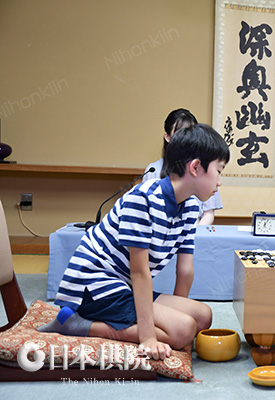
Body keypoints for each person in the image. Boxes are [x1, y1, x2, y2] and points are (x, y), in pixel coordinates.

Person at [39, 124, 230, 360]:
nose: (220, 181)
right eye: (219, 171)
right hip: (93, 287)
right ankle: (77, 324)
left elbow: (185, 270)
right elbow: (139, 273)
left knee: (201, 316)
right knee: (183, 329)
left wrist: (177, 320)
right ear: (195, 167)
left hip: (124, 286)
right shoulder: (142, 199)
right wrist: (149, 337)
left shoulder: (191, 207)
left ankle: (172, 328)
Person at [144, 108, 223, 225]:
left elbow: (209, 213)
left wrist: (194, 232)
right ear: (167, 137)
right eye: (180, 134)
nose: (187, 140)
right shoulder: (153, 170)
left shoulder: (206, 168)